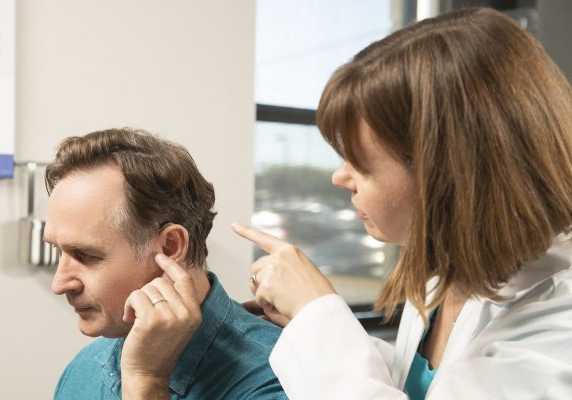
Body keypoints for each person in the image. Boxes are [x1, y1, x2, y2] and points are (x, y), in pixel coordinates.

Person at [125, 6, 572, 399]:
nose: (340, 177)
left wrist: (318, 316)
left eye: (361, 164)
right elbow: (423, 384)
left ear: (448, 172)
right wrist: (310, 328)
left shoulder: (558, 329)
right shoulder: (447, 279)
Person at [43, 128, 287, 400]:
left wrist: (146, 383)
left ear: (170, 247)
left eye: (85, 255)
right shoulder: (82, 371)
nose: (59, 284)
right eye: (58, 251)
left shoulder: (280, 377)